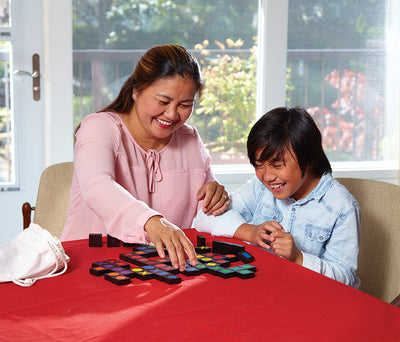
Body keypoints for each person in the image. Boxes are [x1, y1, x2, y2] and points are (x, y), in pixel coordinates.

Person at [61, 44, 230, 271]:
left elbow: (207, 214)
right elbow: (97, 186)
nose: (171, 115)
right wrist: (151, 221)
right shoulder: (99, 127)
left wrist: (217, 196)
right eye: (163, 101)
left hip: (163, 270)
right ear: (136, 90)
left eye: (185, 105)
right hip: (92, 266)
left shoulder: (190, 140)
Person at [195, 106, 360, 287]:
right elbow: (203, 218)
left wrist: (298, 258)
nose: (267, 176)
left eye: (277, 165)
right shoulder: (260, 189)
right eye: (259, 165)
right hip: (260, 288)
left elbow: (345, 279)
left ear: (309, 159)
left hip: (309, 298)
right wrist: (249, 231)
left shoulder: (342, 207)